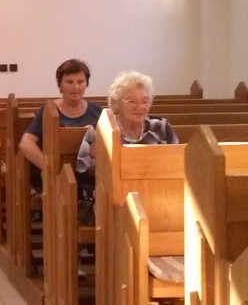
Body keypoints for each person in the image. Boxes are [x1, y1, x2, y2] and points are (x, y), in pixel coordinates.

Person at [75, 70, 179, 224]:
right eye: (132, 101)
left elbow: (178, 163)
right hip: (114, 201)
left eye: (145, 101)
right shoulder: (101, 130)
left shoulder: (161, 128)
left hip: (157, 196)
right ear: (116, 103)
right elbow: (82, 171)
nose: (140, 107)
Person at [18, 58, 103, 170]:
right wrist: (48, 168)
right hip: (58, 174)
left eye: (80, 82)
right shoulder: (49, 111)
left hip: (92, 175)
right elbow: (26, 143)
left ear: (86, 83)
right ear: (60, 85)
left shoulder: (97, 111)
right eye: (69, 82)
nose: (76, 87)